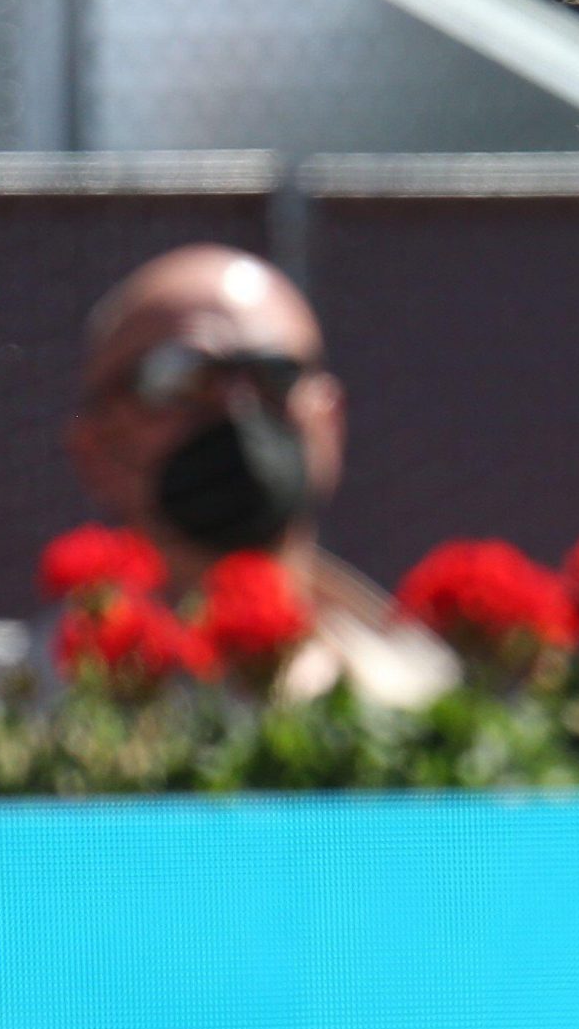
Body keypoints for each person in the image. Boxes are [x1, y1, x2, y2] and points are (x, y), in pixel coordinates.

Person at [56, 244, 456, 707]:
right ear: (95, 447)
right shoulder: (23, 725)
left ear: (331, 423)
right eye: (181, 377)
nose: (235, 408)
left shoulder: (434, 706)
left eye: (275, 375)